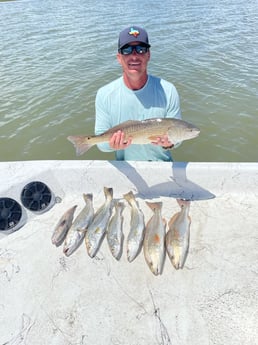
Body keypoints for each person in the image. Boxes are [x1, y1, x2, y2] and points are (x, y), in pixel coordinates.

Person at [94, 25, 182, 161]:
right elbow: (101, 143)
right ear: (119, 57)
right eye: (127, 50)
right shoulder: (104, 94)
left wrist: (170, 143)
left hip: (162, 166)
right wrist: (112, 144)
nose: (134, 56)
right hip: (126, 170)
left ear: (148, 55)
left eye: (141, 50)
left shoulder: (168, 90)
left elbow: (178, 138)